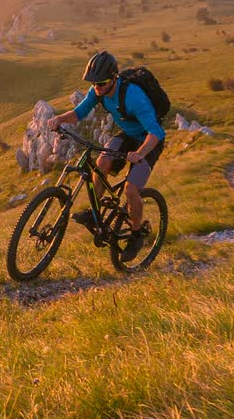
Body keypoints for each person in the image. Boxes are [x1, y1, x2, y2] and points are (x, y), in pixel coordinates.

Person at [48, 51, 165, 262]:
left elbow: (156, 133)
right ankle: (96, 216)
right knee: (101, 163)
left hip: (148, 142)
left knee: (130, 189)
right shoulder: (97, 91)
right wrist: (59, 119)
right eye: (93, 83)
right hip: (128, 135)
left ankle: (137, 236)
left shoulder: (134, 97)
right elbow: (78, 113)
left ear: (114, 78)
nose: (97, 88)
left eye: (101, 83)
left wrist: (140, 153)